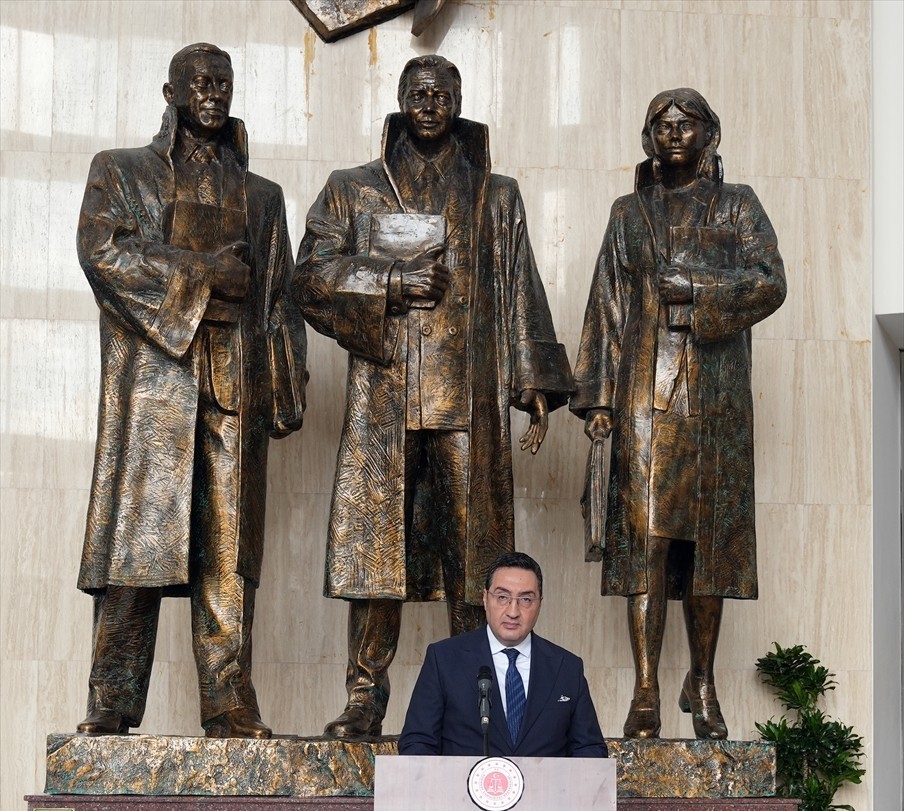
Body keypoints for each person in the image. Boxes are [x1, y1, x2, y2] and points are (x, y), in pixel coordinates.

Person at [295, 55, 574, 741]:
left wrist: (534, 381)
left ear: (458, 101)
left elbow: (517, 287)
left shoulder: (493, 193)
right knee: (374, 555)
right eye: (417, 94)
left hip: (465, 399)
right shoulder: (353, 189)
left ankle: (479, 699)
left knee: (474, 558)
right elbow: (309, 277)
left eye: (441, 94)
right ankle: (365, 696)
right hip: (385, 397)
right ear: (398, 102)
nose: (429, 104)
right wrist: (388, 279)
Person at [75, 43, 306, 738]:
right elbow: (103, 252)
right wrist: (203, 272)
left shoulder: (261, 196)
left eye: (224, 83)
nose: (213, 93)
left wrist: (286, 387)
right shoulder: (120, 171)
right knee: (136, 549)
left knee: (229, 556)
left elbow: (278, 297)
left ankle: (229, 702)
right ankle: (110, 705)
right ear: (170, 90)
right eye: (201, 82)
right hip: (154, 387)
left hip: (235, 386)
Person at [572, 88, 786, 739]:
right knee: (648, 545)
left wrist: (700, 290)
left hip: (715, 401)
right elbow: (607, 306)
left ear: (708, 135)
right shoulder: (629, 212)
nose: (671, 134)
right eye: (660, 125)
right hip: (642, 398)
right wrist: (599, 402)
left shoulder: (738, 205)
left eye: (683, 124)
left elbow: (770, 281)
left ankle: (704, 679)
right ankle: (644, 690)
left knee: (709, 549)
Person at [398, 552, 607, 757]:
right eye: (502, 597)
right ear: (485, 598)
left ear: (539, 603)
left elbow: (590, 750)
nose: (513, 611)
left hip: (545, 790)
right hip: (461, 790)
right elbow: (417, 743)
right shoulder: (444, 659)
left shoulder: (567, 668)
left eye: (526, 599)